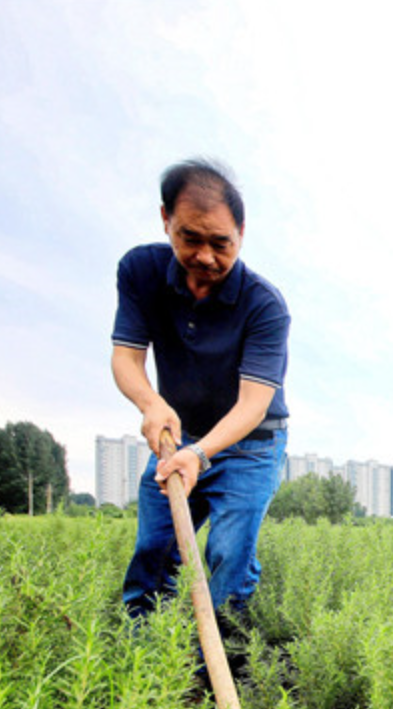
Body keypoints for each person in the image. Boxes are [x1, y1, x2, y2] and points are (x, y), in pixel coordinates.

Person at [111, 159, 290, 634]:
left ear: (242, 233)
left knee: (229, 555)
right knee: (156, 548)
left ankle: (216, 666)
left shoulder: (264, 306)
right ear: (166, 219)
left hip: (250, 445)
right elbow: (127, 359)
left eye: (221, 243)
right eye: (191, 238)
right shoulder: (140, 271)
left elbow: (253, 403)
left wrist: (199, 453)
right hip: (178, 435)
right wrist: (152, 404)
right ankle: (143, 658)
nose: (206, 256)